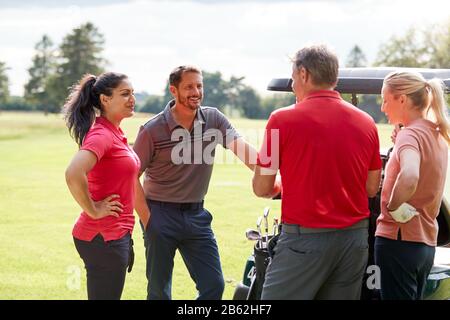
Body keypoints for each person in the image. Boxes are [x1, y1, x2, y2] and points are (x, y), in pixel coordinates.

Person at [252, 44, 382, 300]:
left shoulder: (279, 120)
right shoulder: (367, 122)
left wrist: (280, 184)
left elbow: (262, 188)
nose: (291, 83)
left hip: (304, 241)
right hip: (353, 242)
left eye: (292, 75)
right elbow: (370, 187)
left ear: (303, 74)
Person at [133, 65, 257, 300]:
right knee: (159, 292)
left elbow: (245, 153)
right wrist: (148, 220)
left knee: (214, 285)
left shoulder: (213, 119)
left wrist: (272, 171)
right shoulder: (152, 130)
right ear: (174, 90)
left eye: (199, 86)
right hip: (159, 213)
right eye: (189, 87)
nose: (196, 92)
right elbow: (130, 177)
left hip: (196, 216)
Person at [64, 72, 146, 300]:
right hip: (102, 237)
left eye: (132, 93)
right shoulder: (102, 135)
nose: (132, 99)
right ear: (105, 99)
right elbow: (73, 173)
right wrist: (94, 209)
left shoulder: (115, 132)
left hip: (112, 236)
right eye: (125, 94)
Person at [375, 71, 450, 300]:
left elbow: (410, 176)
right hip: (424, 244)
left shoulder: (411, 136)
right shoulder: (436, 135)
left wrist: (392, 207)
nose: (383, 107)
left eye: (385, 100)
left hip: (399, 241)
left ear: (402, 99)